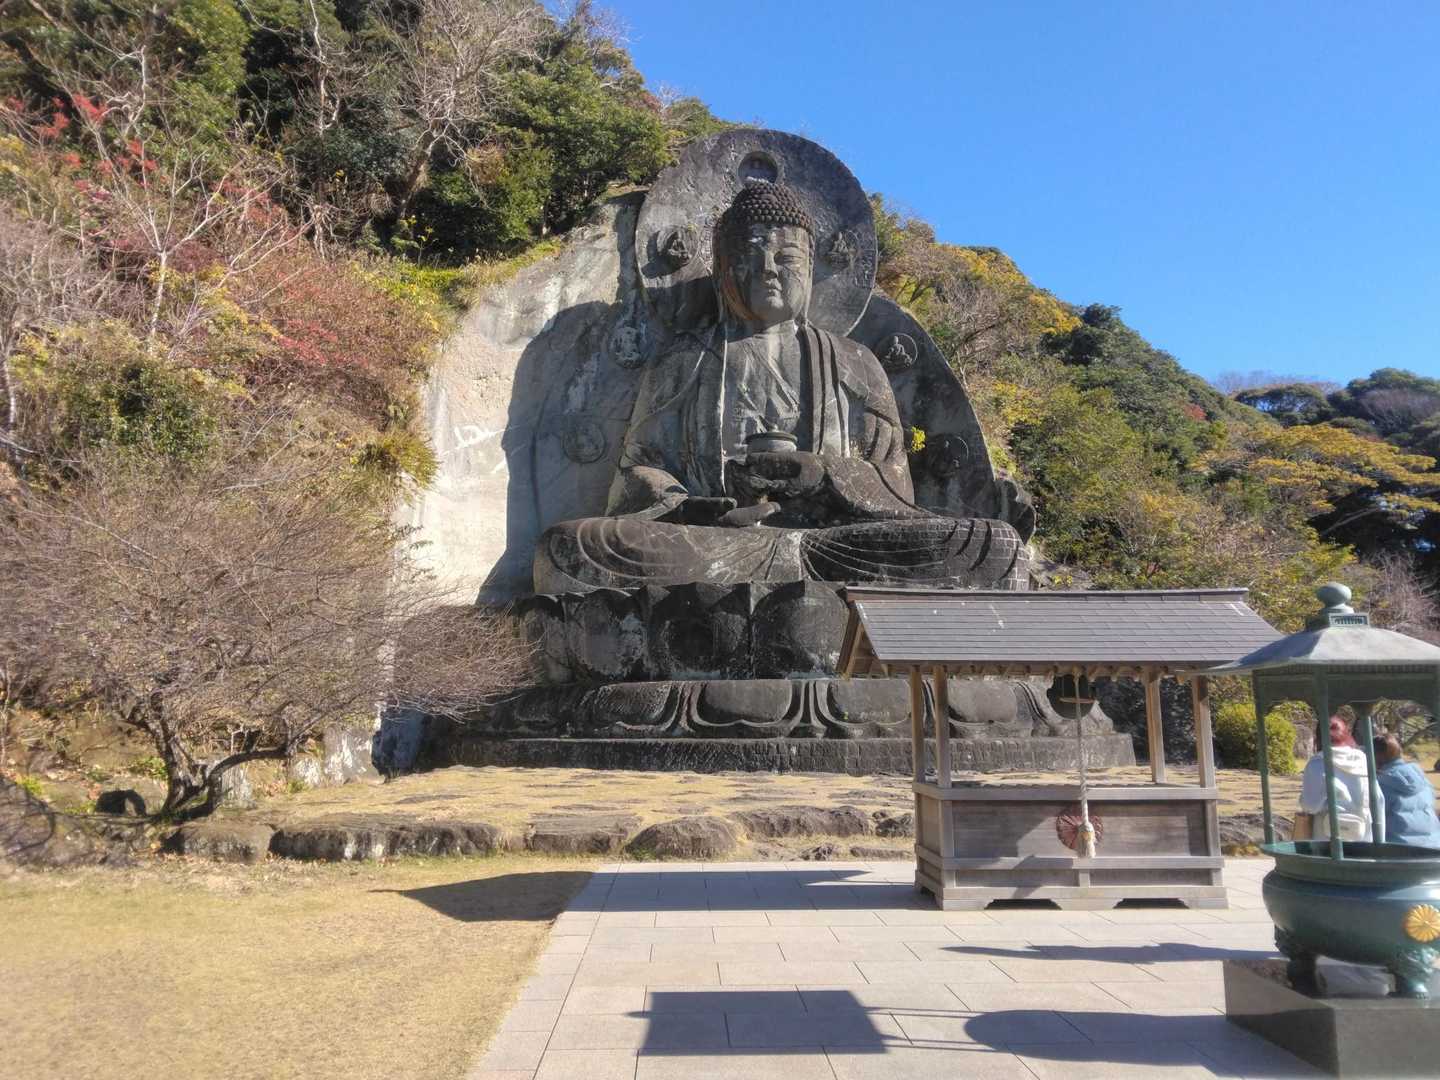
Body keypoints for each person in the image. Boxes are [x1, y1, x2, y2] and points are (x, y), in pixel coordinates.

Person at [533, 180, 1025, 593]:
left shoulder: (855, 361)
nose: (769, 269)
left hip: (831, 541)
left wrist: (825, 476)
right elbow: (640, 467)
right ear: (723, 269)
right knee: (574, 546)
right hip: (713, 542)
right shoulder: (684, 357)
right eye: (750, 256)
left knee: (991, 546)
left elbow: (894, 482)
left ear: (811, 270)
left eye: (787, 257)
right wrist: (692, 506)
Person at [1292, 716, 1383, 842]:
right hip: (1364, 837)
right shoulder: (1364, 761)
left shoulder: (1318, 764)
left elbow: (1310, 806)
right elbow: (1379, 801)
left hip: (1328, 838)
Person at [1374, 733, 1440, 848]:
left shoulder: (1381, 784)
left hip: (1400, 849)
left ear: (1375, 757)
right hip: (1434, 845)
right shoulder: (1421, 777)